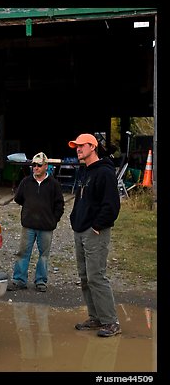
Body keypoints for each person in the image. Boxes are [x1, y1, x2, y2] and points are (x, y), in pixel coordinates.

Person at [68, 133, 121, 337]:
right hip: (80, 230)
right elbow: (81, 199)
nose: (78, 149)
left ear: (93, 146)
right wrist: (75, 220)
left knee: (96, 276)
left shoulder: (105, 173)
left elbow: (112, 205)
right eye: (76, 146)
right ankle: (95, 317)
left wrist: (98, 226)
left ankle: (111, 321)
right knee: (84, 277)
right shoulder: (86, 171)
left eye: (81, 146)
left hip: (94, 232)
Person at [6, 152, 65, 292]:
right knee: (23, 253)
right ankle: (19, 280)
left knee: (43, 255)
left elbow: (59, 205)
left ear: (46, 166)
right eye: (34, 165)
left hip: (46, 226)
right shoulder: (26, 182)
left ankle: (41, 281)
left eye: (39, 165)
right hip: (28, 225)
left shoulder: (54, 184)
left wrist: (53, 219)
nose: (36, 168)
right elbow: (18, 198)